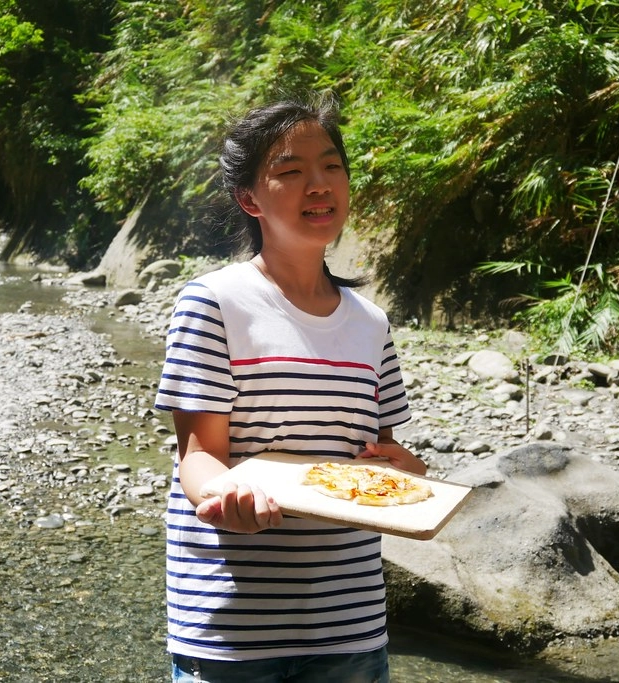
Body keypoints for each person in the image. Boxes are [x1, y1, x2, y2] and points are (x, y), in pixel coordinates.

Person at [154, 94, 427, 683]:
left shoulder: (371, 322)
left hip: (349, 623)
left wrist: (405, 472)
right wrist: (224, 498)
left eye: (331, 166)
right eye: (291, 172)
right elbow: (198, 456)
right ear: (249, 198)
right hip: (232, 627)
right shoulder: (213, 303)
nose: (319, 185)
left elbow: (373, 459)